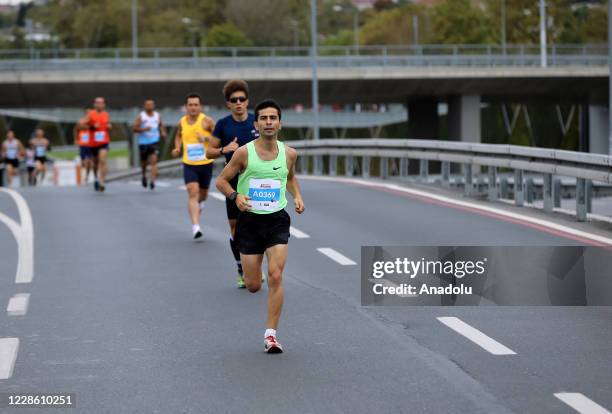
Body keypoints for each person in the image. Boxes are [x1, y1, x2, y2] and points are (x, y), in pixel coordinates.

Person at [216, 99, 305, 353]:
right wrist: (236, 197)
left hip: (276, 219)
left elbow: (290, 177)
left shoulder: (289, 153)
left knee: (276, 275)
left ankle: (271, 335)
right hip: (250, 223)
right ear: (256, 124)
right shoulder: (244, 153)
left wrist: (297, 195)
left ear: (280, 123)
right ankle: (252, 274)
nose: (268, 122)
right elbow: (221, 182)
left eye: (272, 118)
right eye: (263, 118)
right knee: (254, 285)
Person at [206, 80, 260, 288]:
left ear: (247, 101)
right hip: (233, 181)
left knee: (257, 226)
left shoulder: (257, 121)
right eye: (233, 100)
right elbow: (208, 152)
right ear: (228, 104)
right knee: (236, 228)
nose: (238, 103)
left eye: (242, 99)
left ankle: (254, 269)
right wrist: (224, 150)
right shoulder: (223, 124)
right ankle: (241, 267)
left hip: (256, 180)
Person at [171, 93, 215, 239]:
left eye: (196, 105)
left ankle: (200, 204)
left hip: (206, 164)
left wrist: (206, 138)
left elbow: (219, 139)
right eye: (190, 105)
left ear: (200, 107)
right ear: (186, 107)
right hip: (189, 163)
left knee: (202, 195)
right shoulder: (182, 121)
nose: (193, 107)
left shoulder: (207, 121)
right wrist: (177, 148)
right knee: (193, 192)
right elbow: (178, 135)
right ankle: (196, 227)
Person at [132, 99, 167, 190]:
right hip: (143, 142)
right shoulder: (141, 116)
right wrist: (143, 129)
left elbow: (161, 125)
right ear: (145, 106)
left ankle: (152, 180)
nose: (149, 106)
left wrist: (163, 132)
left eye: (151, 104)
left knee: (154, 161)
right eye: (147, 105)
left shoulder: (157, 115)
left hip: (154, 141)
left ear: (153, 106)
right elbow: (134, 128)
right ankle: (144, 175)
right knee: (144, 163)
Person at [86, 97, 112, 192]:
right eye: (97, 103)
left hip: (104, 142)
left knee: (103, 160)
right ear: (94, 104)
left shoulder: (106, 114)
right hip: (93, 143)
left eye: (101, 103)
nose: (99, 105)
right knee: (95, 163)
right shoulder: (90, 114)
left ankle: (102, 182)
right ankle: (96, 178)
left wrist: (109, 126)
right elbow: (82, 124)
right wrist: (92, 126)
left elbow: (108, 124)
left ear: (104, 105)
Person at [74, 109, 94, 185]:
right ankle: (84, 176)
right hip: (82, 144)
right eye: (87, 113)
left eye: (90, 113)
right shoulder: (81, 121)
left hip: (91, 144)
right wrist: (76, 139)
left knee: (89, 162)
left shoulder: (93, 121)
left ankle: (87, 176)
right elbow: (77, 128)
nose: (88, 115)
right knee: (84, 162)